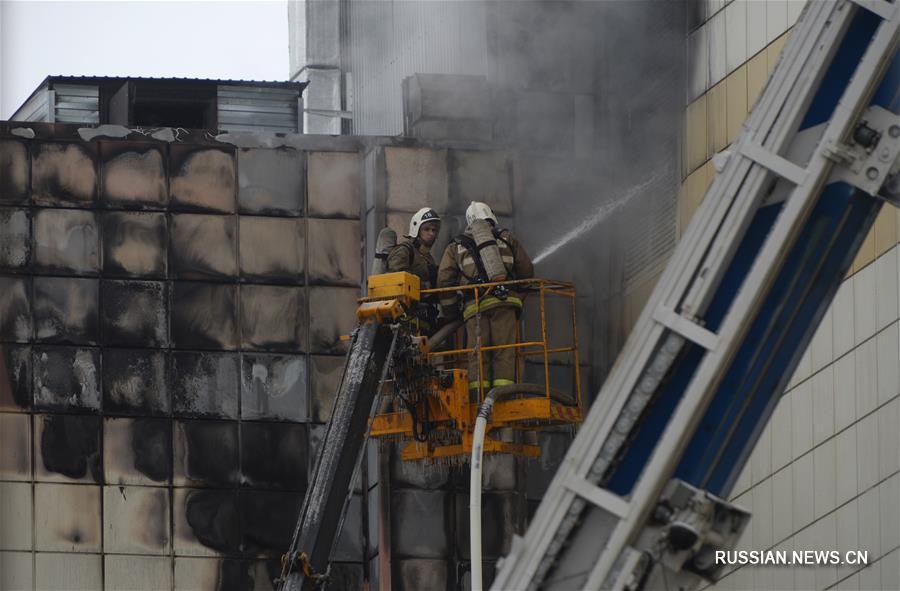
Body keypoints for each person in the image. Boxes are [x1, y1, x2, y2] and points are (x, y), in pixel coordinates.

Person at [437, 202, 533, 394]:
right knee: (504, 352)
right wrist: (517, 296)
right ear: (491, 217)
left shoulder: (456, 246)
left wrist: (452, 312)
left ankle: (479, 398)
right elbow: (526, 271)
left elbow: (444, 281)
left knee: (478, 354)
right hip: (505, 304)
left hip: (475, 308)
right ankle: (502, 397)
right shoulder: (506, 238)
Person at [387, 207, 442, 333]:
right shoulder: (405, 250)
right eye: (427, 229)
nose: (431, 233)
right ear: (416, 229)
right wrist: (424, 287)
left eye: (434, 230)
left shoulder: (428, 258)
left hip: (425, 319)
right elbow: (396, 278)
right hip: (406, 320)